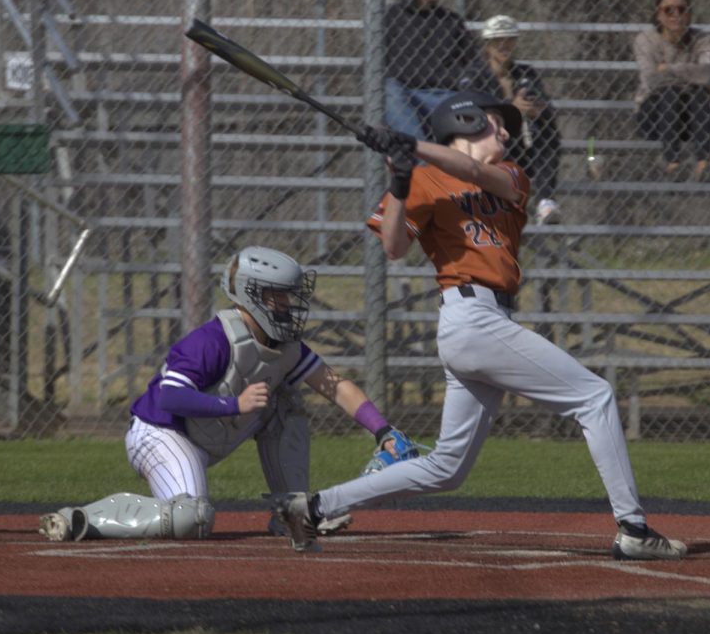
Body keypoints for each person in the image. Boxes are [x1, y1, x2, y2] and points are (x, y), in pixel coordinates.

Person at [273, 91, 687, 561]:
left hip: (487, 320)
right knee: (595, 397)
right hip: (468, 316)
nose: (506, 132)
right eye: (495, 123)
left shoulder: (511, 175)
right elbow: (392, 247)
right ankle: (633, 528)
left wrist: (410, 144)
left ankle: (311, 506)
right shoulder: (425, 178)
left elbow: (471, 172)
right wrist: (404, 181)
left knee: (447, 467)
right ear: (463, 122)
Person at [38, 246, 407, 542]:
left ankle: (292, 511)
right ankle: (83, 518)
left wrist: (382, 431)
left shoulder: (285, 345)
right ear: (252, 295)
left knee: (286, 402)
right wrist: (235, 404)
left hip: (205, 433)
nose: (289, 305)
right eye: (280, 296)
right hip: (161, 433)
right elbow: (169, 397)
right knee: (192, 519)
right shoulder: (212, 340)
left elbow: (334, 384)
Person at [463, 14, 563, 224]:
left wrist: (536, 110)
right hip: (489, 147)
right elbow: (470, 114)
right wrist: (510, 107)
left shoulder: (525, 73)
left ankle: (545, 201)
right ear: (487, 44)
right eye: (498, 40)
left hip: (523, 147)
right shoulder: (475, 75)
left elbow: (546, 106)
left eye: (509, 39)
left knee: (547, 129)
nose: (503, 45)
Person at [384, 0, 486, 141]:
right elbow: (377, 66)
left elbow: (474, 62)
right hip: (407, 97)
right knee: (389, 91)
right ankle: (422, 162)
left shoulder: (451, 21)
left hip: (445, 97)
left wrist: (465, 79)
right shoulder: (392, 18)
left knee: (471, 102)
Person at [633, 0, 710, 180]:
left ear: (689, 13)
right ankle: (672, 162)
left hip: (691, 118)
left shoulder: (703, 39)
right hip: (653, 116)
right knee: (670, 93)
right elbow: (652, 79)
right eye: (668, 10)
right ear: (658, 14)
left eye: (681, 10)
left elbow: (708, 73)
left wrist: (670, 69)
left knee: (698, 94)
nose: (675, 15)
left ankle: (703, 163)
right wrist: (691, 75)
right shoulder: (646, 40)